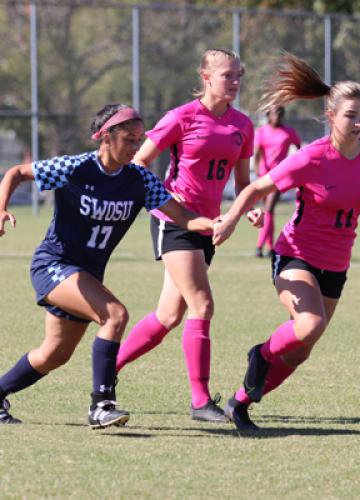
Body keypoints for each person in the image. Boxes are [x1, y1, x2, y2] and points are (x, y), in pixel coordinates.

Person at [212, 53, 360, 431]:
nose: (358, 123)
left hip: (336, 265)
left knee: (301, 351)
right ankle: (260, 353)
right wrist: (231, 219)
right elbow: (256, 187)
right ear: (331, 115)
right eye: (351, 115)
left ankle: (240, 403)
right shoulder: (311, 157)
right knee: (309, 325)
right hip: (295, 256)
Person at [0, 104, 214, 427]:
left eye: (140, 140)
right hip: (53, 265)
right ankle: (101, 406)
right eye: (129, 139)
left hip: (86, 275)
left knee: (55, 354)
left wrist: (220, 222)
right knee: (115, 314)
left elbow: (182, 217)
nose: (136, 147)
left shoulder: (140, 179)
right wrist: (1, 208)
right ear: (105, 137)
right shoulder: (76, 168)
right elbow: (16, 173)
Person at [115, 48, 262, 423]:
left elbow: (243, 182)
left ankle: (107, 366)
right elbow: (138, 161)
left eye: (237, 75)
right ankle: (200, 402)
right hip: (175, 220)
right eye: (227, 75)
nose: (234, 81)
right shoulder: (182, 117)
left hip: (209, 225)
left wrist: (250, 208)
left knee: (168, 316)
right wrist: (165, 199)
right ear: (206, 77)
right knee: (203, 305)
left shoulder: (243, 126)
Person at [253, 105, 301, 257]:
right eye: (275, 113)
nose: (278, 116)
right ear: (269, 114)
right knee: (268, 213)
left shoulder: (289, 132)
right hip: (263, 177)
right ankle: (269, 247)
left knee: (268, 209)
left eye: (281, 113)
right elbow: (257, 153)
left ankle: (259, 247)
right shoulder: (261, 132)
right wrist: (256, 171)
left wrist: (293, 166)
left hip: (279, 177)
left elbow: (300, 150)